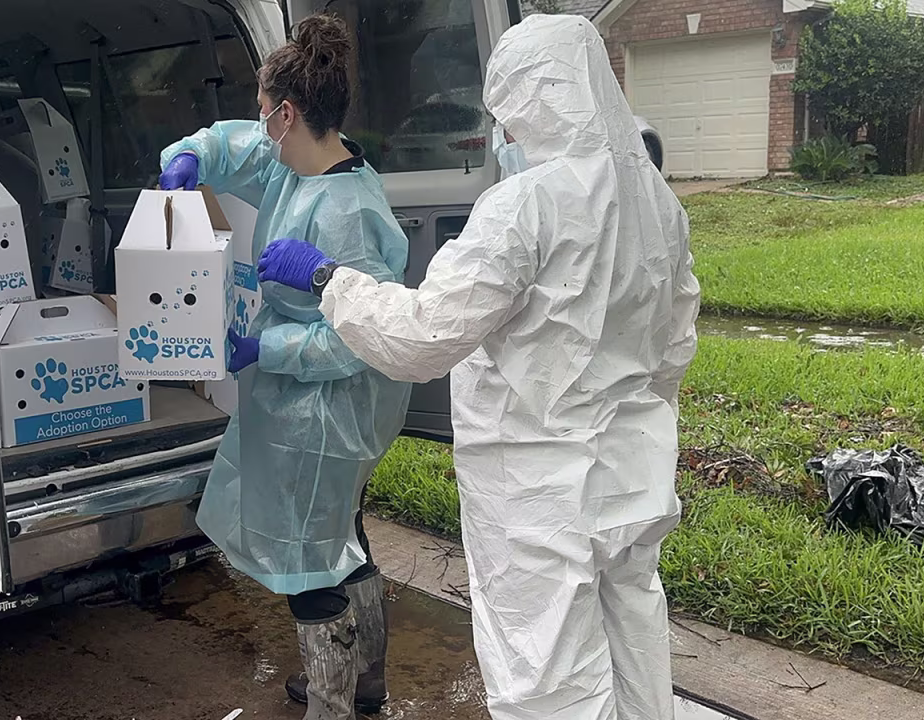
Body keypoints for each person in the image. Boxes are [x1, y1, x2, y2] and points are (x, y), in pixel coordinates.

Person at [257, 14, 700, 720]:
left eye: (508, 117)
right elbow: (676, 346)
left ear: (532, 99)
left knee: (546, 675)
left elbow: (424, 336)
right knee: (632, 639)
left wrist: (326, 281)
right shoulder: (658, 203)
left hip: (535, 484)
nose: (505, 135)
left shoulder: (525, 205)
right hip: (629, 471)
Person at [157, 14, 412, 720]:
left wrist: (262, 348)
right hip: (301, 400)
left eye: (262, 107)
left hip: (328, 410)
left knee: (310, 560)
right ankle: (365, 685)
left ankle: (331, 704)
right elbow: (233, 147)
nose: (256, 119)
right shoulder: (297, 160)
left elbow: (356, 340)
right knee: (342, 537)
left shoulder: (346, 212)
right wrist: (192, 156)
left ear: (287, 112)